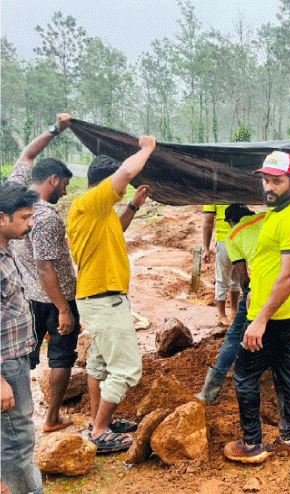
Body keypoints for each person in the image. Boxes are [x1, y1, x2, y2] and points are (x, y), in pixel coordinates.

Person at [67, 136, 156, 453]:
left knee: (100, 364)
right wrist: (147, 149)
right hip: (104, 300)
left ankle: (96, 422)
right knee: (127, 368)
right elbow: (127, 174)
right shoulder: (89, 202)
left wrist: (133, 206)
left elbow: (115, 231)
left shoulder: (95, 212)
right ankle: (101, 431)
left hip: (97, 298)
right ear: (105, 183)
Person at [224, 151, 290, 463]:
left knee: (245, 374)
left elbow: (289, 274)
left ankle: (251, 445)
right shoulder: (280, 209)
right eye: (265, 180)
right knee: (286, 370)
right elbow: (274, 264)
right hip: (284, 310)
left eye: (276, 181)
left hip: (273, 316)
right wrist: (255, 292)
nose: (269, 187)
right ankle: (289, 438)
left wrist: (260, 318)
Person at [196, 203, 290, 404]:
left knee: (234, 336)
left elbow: (243, 279)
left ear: (231, 221)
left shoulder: (233, 236)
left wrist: (250, 299)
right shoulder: (267, 218)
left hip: (264, 289)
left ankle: (209, 392)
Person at [7, 113, 80, 433]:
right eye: (64, 184)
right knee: (62, 357)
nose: (65, 191)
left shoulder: (14, 192)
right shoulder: (46, 217)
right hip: (53, 299)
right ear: (53, 180)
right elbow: (46, 266)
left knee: (23, 355)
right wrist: (64, 308)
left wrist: (55, 129)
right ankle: (50, 417)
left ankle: (16, 413)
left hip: (23, 296)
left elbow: (28, 155)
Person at [1, 182, 46, 494]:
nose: (31, 223)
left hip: (13, 361)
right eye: (26, 217)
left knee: (10, 436)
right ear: (2, 218)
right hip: (5, 367)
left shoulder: (7, 250)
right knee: (18, 440)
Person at [202, 204, 241, 325]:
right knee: (222, 279)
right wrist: (205, 248)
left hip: (240, 238)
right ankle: (221, 314)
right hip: (224, 239)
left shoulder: (235, 190)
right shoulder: (212, 195)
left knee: (237, 278)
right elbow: (208, 222)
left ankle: (234, 311)